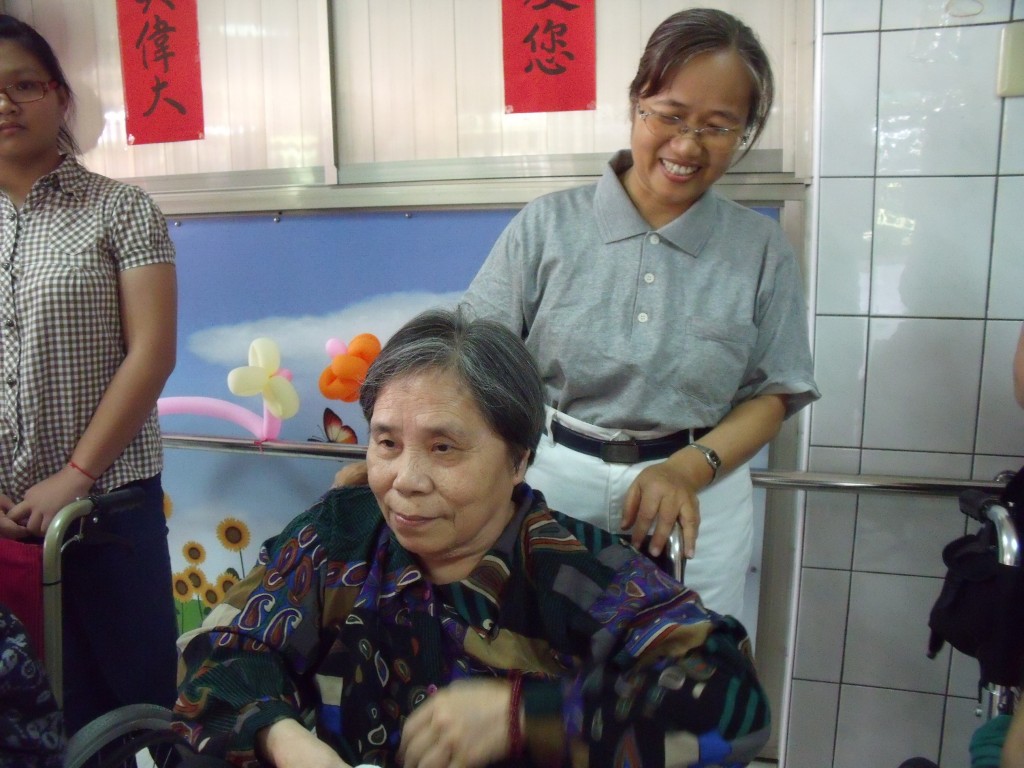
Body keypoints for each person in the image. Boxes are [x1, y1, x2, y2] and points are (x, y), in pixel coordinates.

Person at [173, 308, 771, 768]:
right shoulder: (339, 536)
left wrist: (524, 715)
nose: (406, 480)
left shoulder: (576, 574)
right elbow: (219, 652)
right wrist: (285, 740)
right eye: (387, 443)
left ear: (519, 460)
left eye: (444, 448)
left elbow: (734, 707)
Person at [459, 8, 819, 617]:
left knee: (691, 658)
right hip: (554, 476)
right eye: (670, 116)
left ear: (744, 132)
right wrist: (410, 452)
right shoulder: (547, 226)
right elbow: (472, 358)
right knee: (540, 650)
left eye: (718, 127)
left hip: (697, 489)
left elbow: (775, 391)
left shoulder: (759, 249)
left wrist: (689, 469)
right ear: (635, 105)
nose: (687, 145)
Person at [0, 15, 179, 735]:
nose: (6, 104)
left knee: (129, 704)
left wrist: (74, 476)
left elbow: (152, 352)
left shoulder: (121, 209)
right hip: (3, 517)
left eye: (24, 85)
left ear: (60, 96)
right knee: (23, 714)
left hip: (107, 510)